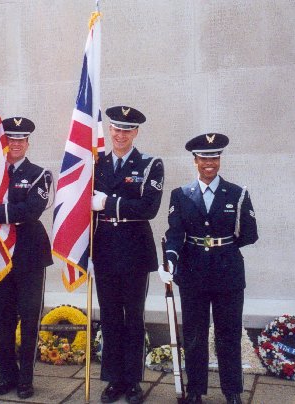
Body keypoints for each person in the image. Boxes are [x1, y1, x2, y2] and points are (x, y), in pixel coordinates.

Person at [159, 133, 258, 404]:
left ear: (220, 159)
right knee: (194, 334)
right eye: (203, 158)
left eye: (214, 157)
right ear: (195, 161)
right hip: (192, 274)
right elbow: (176, 233)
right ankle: (195, 390)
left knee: (228, 333)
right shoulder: (180, 195)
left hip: (228, 273)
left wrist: (221, 247)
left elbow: (249, 234)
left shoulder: (237, 194)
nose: (209, 163)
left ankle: (232, 391)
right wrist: (170, 261)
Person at [0, 117, 53, 399]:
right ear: (4, 141)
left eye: (21, 139)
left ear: (28, 143)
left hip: (29, 254)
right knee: (2, 318)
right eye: (11, 139)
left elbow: (30, 210)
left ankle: (26, 380)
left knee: (29, 320)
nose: (16, 144)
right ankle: (6, 376)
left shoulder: (40, 174)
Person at [91, 106, 164, 404]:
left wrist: (108, 202)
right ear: (109, 130)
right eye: (116, 129)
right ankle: (112, 379)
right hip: (105, 248)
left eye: (127, 130)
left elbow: (149, 207)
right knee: (108, 316)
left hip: (134, 250)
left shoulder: (150, 164)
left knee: (133, 316)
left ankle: (133, 380)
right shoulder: (95, 162)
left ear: (136, 133)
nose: (120, 134)